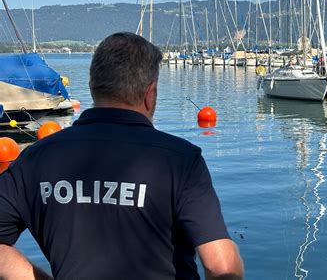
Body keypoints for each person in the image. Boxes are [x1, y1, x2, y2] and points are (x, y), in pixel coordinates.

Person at [0, 32, 243, 279]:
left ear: (92, 87)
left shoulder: (36, 158)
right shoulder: (181, 161)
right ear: (150, 94)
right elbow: (221, 267)